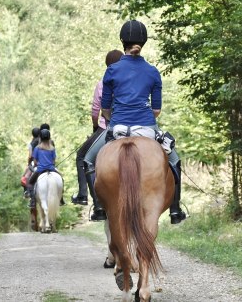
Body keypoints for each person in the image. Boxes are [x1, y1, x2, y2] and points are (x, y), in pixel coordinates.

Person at [84, 20, 186, 224]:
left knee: (88, 160)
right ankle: (175, 209)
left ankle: (99, 207)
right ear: (143, 42)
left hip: (118, 126)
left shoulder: (112, 70)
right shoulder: (152, 71)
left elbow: (105, 109)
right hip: (147, 127)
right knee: (174, 161)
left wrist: (115, 119)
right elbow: (156, 110)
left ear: (123, 41)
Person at [71, 50, 124, 222]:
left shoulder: (103, 82)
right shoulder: (129, 81)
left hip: (108, 127)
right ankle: (174, 206)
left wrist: (96, 126)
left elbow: (96, 110)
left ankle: (90, 200)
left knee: (83, 158)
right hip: (135, 125)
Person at [26, 129, 62, 208]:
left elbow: (35, 162)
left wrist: (40, 164)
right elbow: (53, 161)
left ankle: (32, 200)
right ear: (49, 138)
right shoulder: (52, 148)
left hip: (40, 170)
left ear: (40, 138)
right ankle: (61, 199)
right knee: (61, 179)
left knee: (30, 182)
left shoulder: (37, 148)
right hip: (51, 169)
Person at [21, 127, 40, 198]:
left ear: (33, 135)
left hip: (35, 162)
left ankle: (27, 192)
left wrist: (29, 164)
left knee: (25, 177)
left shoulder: (31, 144)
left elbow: (30, 156)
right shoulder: (43, 142)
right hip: (46, 162)